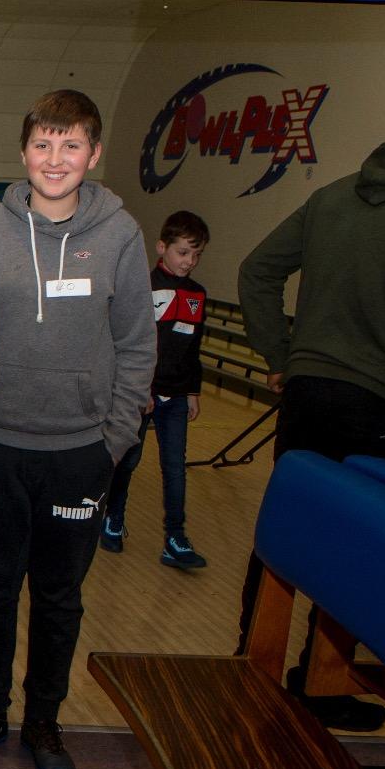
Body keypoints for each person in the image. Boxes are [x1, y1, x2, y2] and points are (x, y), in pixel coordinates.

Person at [0, 89, 154, 769]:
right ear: (24, 152)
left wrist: (112, 441)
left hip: (78, 452)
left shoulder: (120, 235)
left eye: (70, 146)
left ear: (93, 154)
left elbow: (136, 346)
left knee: (59, 595)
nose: (55, 159)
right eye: (43, 144)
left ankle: (44, 721)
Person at [237, 140, 385, 732]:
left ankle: (251, 666)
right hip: (378, 401)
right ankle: (320, 685)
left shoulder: (331, 197)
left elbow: (257, 270)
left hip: (309, 391)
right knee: (358, 540)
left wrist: (283, 354)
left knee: (290, 525)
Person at [101, 211, 211, 569]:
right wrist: (139, 389)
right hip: (141, 395)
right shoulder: (142, 288)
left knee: (174, 467)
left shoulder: (197, 295)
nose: (189, 262)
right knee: (128, 462)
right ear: (162, 248)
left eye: (196, 255)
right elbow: (129, 345)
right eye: (182, 253)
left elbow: (192, 348)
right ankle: (112, 520)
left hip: (176, 396)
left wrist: (192, 390)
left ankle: (175, 537)